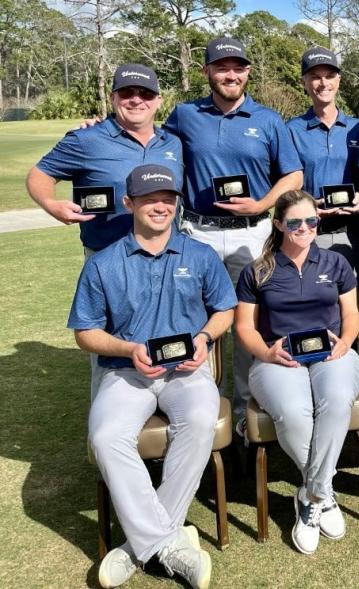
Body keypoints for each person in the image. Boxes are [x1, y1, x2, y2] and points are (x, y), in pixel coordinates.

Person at [69, 164, 236, 589]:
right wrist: (128, 349)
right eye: (148, 199)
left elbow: (225, 310)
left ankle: (137, 546)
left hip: (187, 371)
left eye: (166, 199)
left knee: (199, 421)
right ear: (129, 204)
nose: (159, 206)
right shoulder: (103, 264)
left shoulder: (199, 255)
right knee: (106, 436)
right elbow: (85, 333)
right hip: (127, 372)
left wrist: (204, 338)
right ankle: (168, 543)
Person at [163, 37, 304, 426]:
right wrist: (102, 122)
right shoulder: (184, 115)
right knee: (194, 321)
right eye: (221, 67)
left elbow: (293, 174)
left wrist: (262, 204)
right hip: (198, 232)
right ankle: (201, 414)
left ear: (247, 72)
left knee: (247, 322)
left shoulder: (268, 120)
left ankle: (242, 416)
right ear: (207, 71)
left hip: (252, 233)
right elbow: (150, 145)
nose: (230, 74)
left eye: (237, 67)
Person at [27, 63, 183, 400]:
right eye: (127, 92)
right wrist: (52, 205)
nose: (136, 100)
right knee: (112, 351)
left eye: (145, 93)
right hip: (108, 260)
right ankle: (110, 427)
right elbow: (39, 175)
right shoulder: (86, 139)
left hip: (168, 258)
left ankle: (174, 420)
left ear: (158, 100)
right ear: (113, 97)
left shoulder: (174, 141)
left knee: (170, 343)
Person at [234, 190, 359, 553]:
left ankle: (311, 495)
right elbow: (244, 327)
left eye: (311, 221)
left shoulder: (336, 262)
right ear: (278, 224)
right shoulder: (258, 270)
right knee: (293, 414)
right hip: (278, 358)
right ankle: (325, 492)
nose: (304, 228)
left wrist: (346, 342)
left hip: (331, 354)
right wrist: (266, 351)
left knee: (337, 402)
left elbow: (351, 314)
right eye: (294, 222)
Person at [287, 47, 359, 299]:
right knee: (310, 304)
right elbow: (283, 186)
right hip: (307, 231)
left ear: (339, 80)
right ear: (304, 82)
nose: (323, 83)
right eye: (315, 76)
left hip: (350, 231)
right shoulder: (291, 130)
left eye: (329, 75)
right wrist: (307, 207)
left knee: (349, 304)